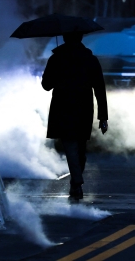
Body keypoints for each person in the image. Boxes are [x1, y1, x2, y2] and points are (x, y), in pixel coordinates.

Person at [41, 31, 108, 201]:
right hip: (83, 108)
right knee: (79, 147)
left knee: (71, 145)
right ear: (81, 38)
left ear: (64, 38)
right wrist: (103, 117)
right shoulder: (90, 59)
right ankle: (76, 182)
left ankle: (76, 182)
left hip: (62, 107)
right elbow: (100, 89)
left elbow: (46, 85)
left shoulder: (56, 58)